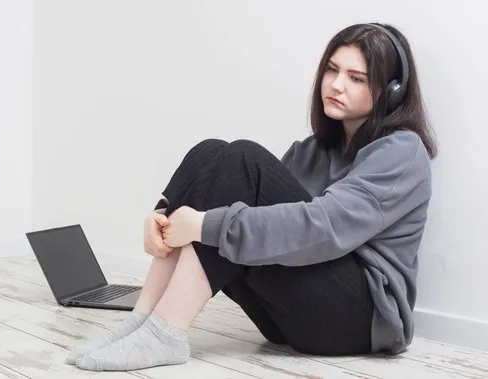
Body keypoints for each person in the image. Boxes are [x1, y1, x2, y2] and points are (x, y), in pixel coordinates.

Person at [67, 22, 438, 372]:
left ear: (391, 92)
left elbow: (322, 229)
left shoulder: (401, 152)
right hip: (287, 320)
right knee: (213, 153)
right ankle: (141, 322)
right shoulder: (311, 150)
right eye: (332, 70)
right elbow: (241, 199)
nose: (336, 85)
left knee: (241, 159)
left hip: (358, 322)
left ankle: (164, 333)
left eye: (356, 78)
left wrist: (203, 225)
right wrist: (163, 214)